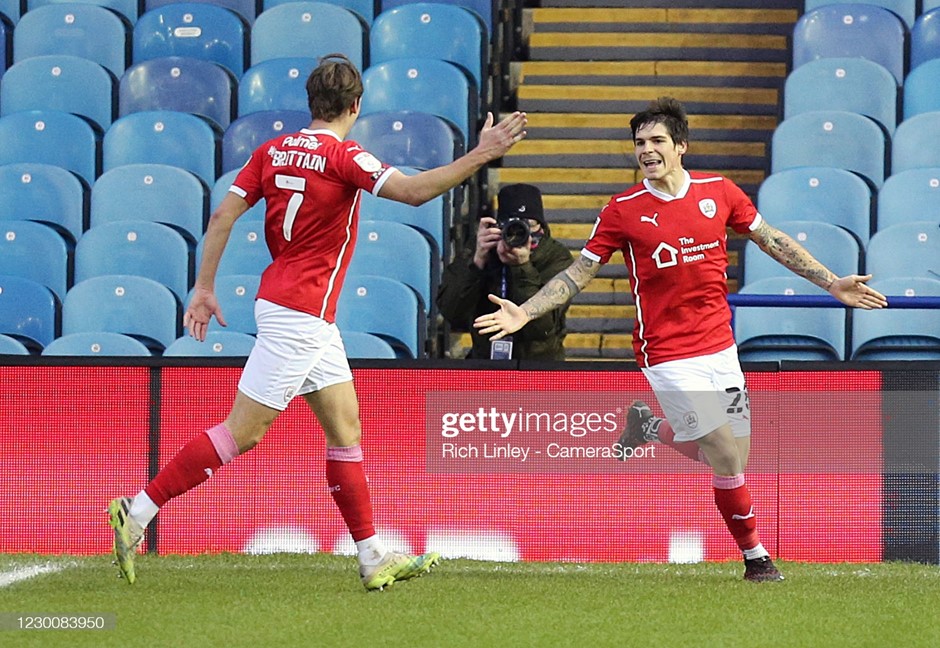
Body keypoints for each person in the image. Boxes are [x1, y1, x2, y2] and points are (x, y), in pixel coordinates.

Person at [108, 53, 527, 590]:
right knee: (244, 433)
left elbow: (222, 215)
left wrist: (205, 286)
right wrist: (482, 153)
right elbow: (416, 192)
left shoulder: (271, 149)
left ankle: (373, 556)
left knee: (345, 430)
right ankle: (138, 510)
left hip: (300, 312)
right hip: (300, 313)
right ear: (355, 106)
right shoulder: (343, 156)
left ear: (312, 103)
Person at [473, 97, 887, 582]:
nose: (647, 150)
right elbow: (580, 272)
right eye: (639, 143)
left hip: (720, 347)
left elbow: (771, 238)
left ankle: (649, 428)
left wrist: (832, 282)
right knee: (725, 453)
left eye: (656, 141)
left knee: (733, 456)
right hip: (667, 352)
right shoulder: (623, 210)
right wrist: (526, 309)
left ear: (681, 146)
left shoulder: (720, 192)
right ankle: (757, 559)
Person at [437, 183, 572, 360]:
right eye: (511, 225)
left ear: (541, 226)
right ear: (499, 226)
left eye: (528, 225)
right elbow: (452, 312)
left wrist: (522, 267)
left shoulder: (557, 257)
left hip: (540, 364)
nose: (519, 233)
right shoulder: (481, 249)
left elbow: (541, 328)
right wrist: (477, 262)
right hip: (486, 361)